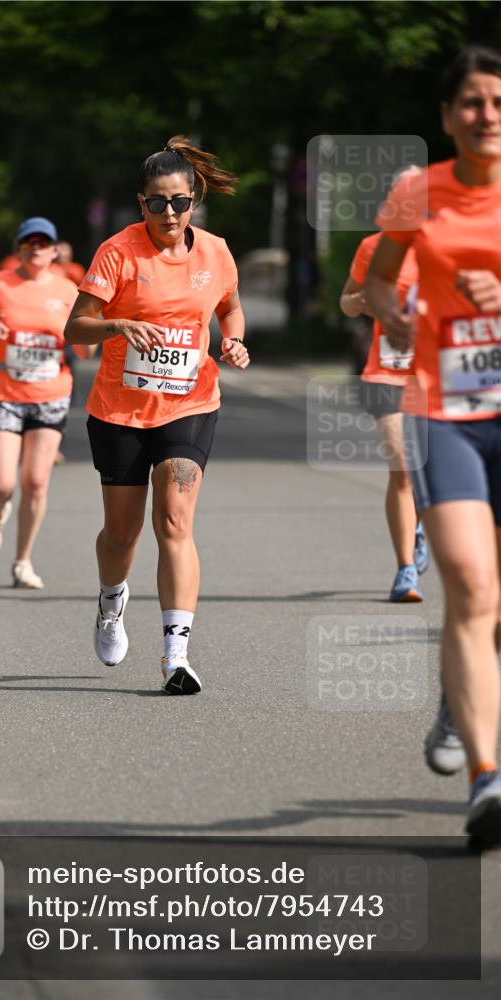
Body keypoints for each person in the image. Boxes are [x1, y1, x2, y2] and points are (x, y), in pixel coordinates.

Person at [366, 46, 501, 844]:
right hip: (442, 407)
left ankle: (457, 698)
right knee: (468, 582)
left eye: (498, 100)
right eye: (471, 103)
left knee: (494, 605)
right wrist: (392, 313)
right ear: (447, 116)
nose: (486, 114)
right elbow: (381, 279)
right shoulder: (418, 193)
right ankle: (488, 780)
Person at [64, 136, 249, 695]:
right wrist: (117, 325)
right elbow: (75, 328)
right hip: (120, 408)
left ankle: (176, 655)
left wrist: (234, 341)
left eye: (178, 202)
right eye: (155, 203)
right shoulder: (118, 253)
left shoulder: (215, 251)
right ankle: (110, 600)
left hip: (189, 403)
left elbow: (230, 307)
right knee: (122, 535)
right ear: (139, 203)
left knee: (174, 520)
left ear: (194, 199)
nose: (168, 213)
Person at [0, 217, 94, 588]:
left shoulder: (70, 289)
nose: (36, 248)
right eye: (29, 242)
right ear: (19, 248)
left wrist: (93, 330)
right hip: (3, 392)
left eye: (44, 243)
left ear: (55, 250)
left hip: (50, 394)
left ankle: (22, 562)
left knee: (36, 482)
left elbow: (86, 350)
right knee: (2, 483)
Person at [340, 228, 427, 601]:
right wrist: (362, 300)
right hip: (387, 372)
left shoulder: (447, 242)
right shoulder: (373, 247)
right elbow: (345, 302)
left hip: (437, 376)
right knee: (403, 470)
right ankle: (406, 570)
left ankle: (418, 526)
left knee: (430, 472)